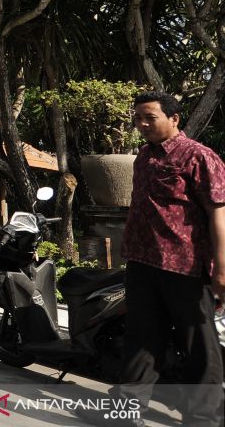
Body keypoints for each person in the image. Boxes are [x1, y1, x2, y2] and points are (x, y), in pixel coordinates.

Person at [107, 91, 225, 426]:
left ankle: (202, 419)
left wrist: (221, 270)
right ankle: (125, 413)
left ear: (174, 119)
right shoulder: (144, 156)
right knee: (141, 338)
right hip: (143, 264)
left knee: (198, 347)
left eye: (150, 118)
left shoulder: (199, 157)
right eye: (138, 118)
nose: (142, 124)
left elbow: (219, 214)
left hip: (184, 267)